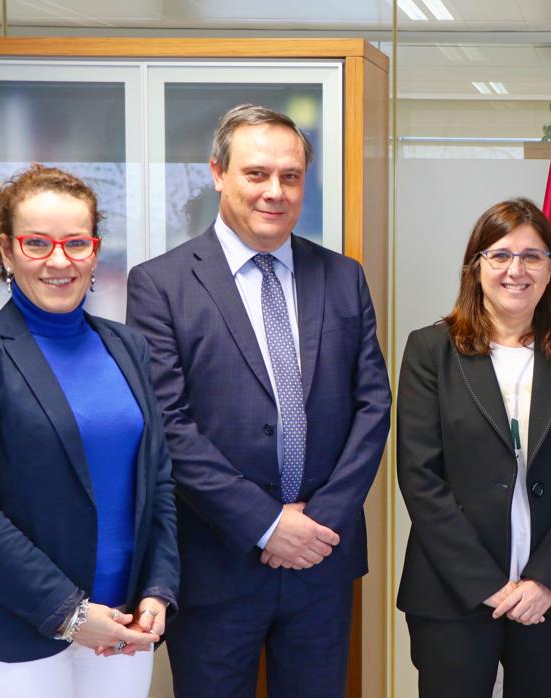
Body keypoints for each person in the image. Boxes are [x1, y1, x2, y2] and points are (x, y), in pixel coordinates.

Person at [125, 104, 391, 698]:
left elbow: (373, 406)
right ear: (217, 173)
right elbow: (167, 423)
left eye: (291, 176)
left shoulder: (343, 277)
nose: (275, 191)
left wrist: (317, 523)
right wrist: (268, 524)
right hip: (217, 563)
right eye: (257, 173)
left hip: (323, 562)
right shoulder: (161, 284)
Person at [396, 198, 551, 698]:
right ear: (476, 266)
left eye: (533, 256)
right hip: (453, 592)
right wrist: (483, 584)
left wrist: (545, 580)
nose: (517, 269)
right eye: (500, 255)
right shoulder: (431, 350)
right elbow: (420, 477)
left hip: (550, 595)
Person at [0, 164, 178, 697]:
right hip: (20, 634)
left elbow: (157, 483)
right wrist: (70, 613)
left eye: (76, 243)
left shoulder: (128, 348)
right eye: (37, 243)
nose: (59, 261)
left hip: (123, 627)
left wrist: (158, 590)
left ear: (94, 250)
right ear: (6, 250)